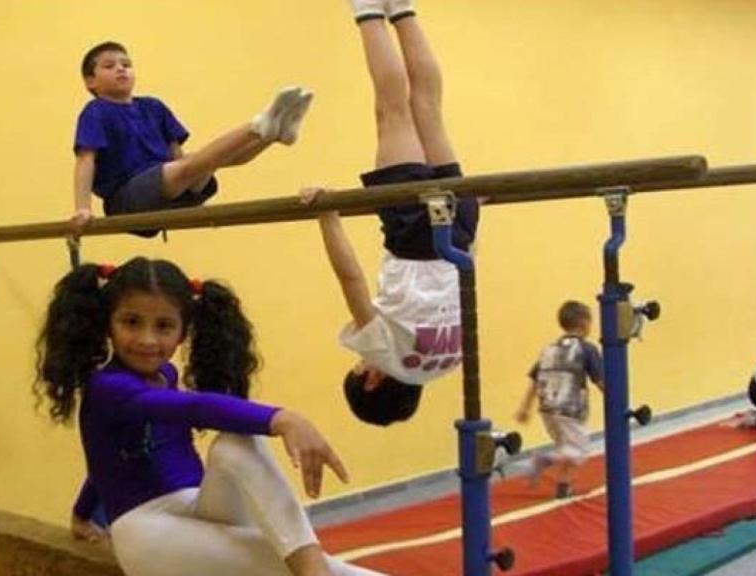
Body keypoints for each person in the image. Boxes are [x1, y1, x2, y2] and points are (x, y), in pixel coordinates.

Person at [34, 258, 382, 576]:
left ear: (183, 332)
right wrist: (284, 418)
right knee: (284, 561)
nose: (147, 339)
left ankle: (313, 571)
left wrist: (82, 513)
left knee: (236, 441)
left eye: (164, 326)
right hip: (147, 532)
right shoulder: (108, 387)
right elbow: (195, 407)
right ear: (107, 323)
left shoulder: (166, 375)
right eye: (131, 322)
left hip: (198, 505)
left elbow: (106, 458)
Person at [299, 0, 478, 426]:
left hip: (461, 232)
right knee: (394, 112)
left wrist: (475, 218)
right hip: (414, 234)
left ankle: (401, 9)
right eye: (358, 368)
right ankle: (367, 12)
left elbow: (464, 281)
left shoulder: (449, 361)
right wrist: (328, 212)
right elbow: (351, 279)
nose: (362, 362)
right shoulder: (383, 355)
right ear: (372, 381)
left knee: (430, 110)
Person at [71, 41, 314, 236]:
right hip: (127, 198)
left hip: (172, 194)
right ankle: (258, 126)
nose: (121, 68)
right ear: (90, 81)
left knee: (208, 161)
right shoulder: (96, 111)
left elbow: (181, 159)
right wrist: (83, 209)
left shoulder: (153, 107)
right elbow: (85, 160)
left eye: (126, 64)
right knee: (198, 163)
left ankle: (274, 135)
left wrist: (199, 172)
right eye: (109, 65)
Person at [515, 301, 604, 499]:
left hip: (546, 408)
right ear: (584, 323)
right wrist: (616, 399)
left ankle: (563, 487)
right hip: (569, 409)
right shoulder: (586, 349)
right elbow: (599, 380)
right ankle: (542, 460)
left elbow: (535, 380)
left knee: (566, 447)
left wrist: (525, 407)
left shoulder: (549, 349)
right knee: (579, 450)